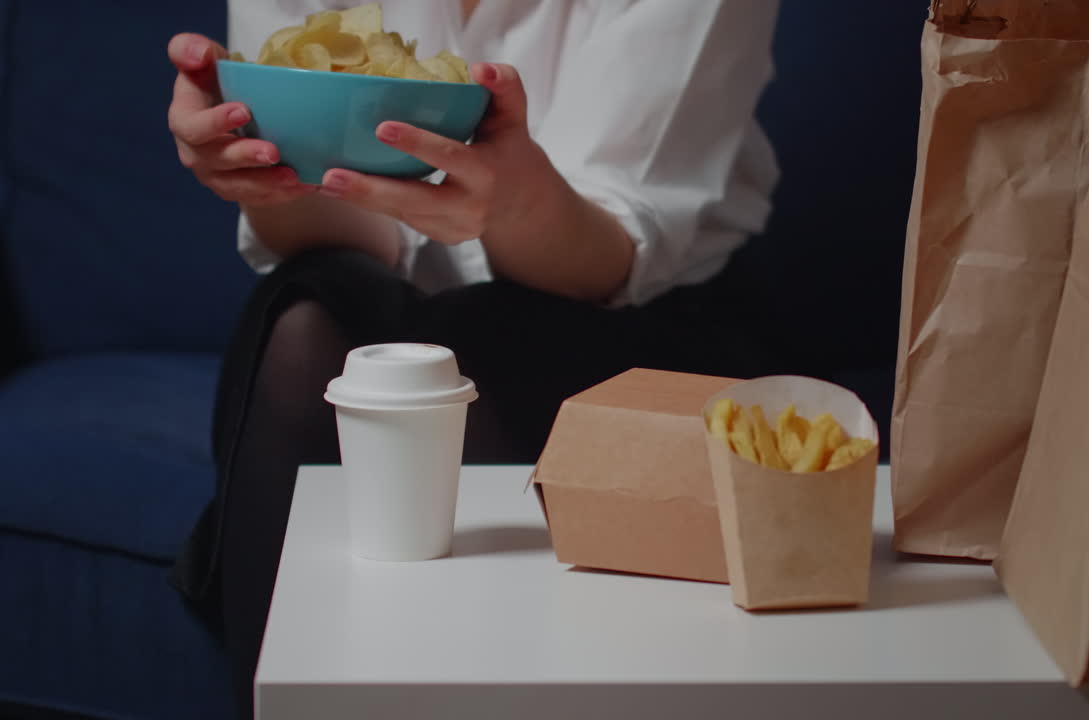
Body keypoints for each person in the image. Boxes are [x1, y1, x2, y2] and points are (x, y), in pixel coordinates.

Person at [165, 1, 783, 716]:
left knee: (457, 338)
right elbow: (350, 233)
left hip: (624, 315)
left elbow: (613, 256)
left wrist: (513, 203)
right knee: (306, 325)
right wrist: (265, 172)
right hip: (374, 306)